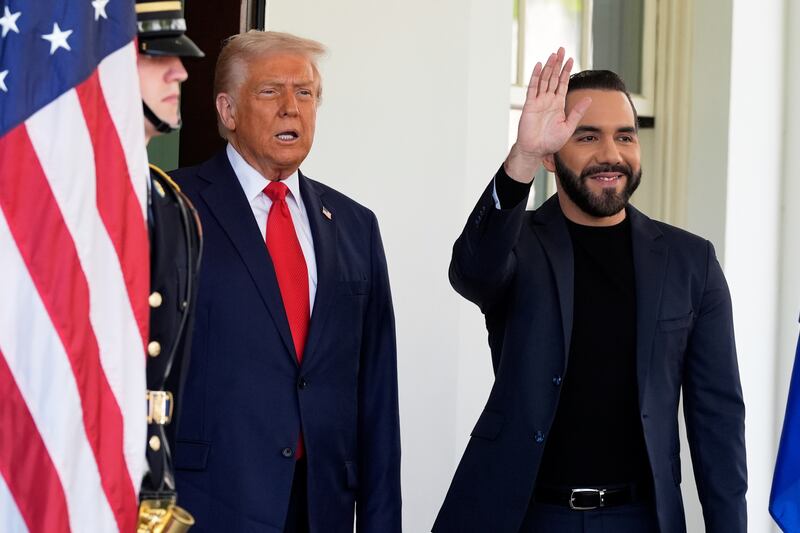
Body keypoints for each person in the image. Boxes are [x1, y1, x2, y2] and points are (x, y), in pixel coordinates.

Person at [432, 48, 746, 533]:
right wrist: (522, 158)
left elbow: (717, 421)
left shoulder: (691, 262)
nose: (611, 155)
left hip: (640, 519)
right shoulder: (518, 243)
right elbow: (472, 273)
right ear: (553, 157)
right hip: (525, 515)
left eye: (625, 136)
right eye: (587, 136)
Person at [169, 30, 401, 533]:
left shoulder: (356, 225)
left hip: (322, 508)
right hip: (207, 504)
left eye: (306, 93)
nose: (292, 108)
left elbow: (377, 394)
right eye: (271, 91)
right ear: (228, 111)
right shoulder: (172, 207)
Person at [134, 0, 204, 529]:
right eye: (154, 56)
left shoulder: (170, 205)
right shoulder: (45, 206)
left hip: (148, 486)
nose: (179, 70)